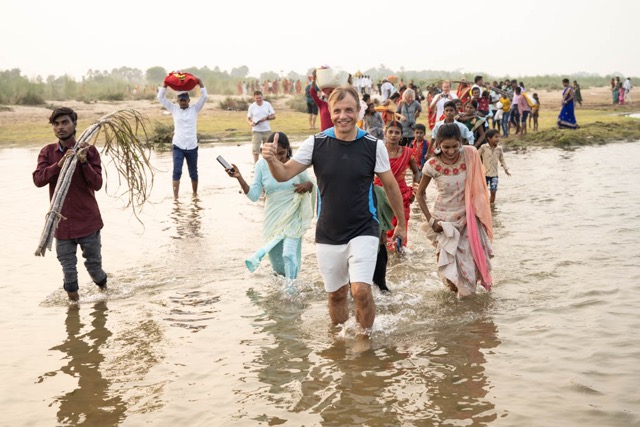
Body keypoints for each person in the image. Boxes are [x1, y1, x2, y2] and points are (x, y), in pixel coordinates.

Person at [261, 85, 407, 336]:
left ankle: (364, 343)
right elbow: (284, 174)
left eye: (349, 109)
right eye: (337, 110)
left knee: (360, 290)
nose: (343, 116)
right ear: (329, 112)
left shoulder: (373, 146)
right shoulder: (316, 143)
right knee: (337, 295)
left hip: (364, 227)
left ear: (359, 111)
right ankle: (339, 341)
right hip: (328, 231)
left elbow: (392, 186)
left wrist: (401, 224)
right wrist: (273, 161)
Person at [33, 107, 108, 302]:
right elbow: (38, 180)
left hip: (88, 222)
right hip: (61, 225)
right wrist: (58, 166)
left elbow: (97, 184)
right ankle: (73, 312)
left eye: (65, 122)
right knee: (69, 276)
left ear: (74, 124)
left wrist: (83, 162)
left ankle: (105, 294)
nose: (60, 127)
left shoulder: (88, 151)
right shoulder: (48, 152)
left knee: (95, 269)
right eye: (56, 124)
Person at [415, 123, 494, 297]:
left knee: (469, 262)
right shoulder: (432, 165)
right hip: (443, 222)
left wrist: (479, 212)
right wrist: (431, 221)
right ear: (438, 145)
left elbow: (479, 186)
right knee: (447, 265)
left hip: (468, 218)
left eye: (454, 146)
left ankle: (467, 299)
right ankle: (454, 295)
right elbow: (420, 195)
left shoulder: (469, 156)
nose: (450, 151)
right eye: (446, 147)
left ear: (461, 142)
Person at [226, 132, 315, 280]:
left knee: (288, 254)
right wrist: (239, 177)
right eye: (275, 154)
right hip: (273, 218)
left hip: (294, 217)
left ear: (288, 150)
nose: (279, 158)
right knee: (278, 265)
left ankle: (292, 290)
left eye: (282, 153)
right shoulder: (262, 165)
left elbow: (312, 183)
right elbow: (254, 195)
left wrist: (308, 184)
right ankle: (282, 290)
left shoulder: (294, 164)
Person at [157, 76, 207, 198]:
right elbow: (160, 97)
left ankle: (195, 195)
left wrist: (200, 83)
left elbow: (204, 97)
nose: (183, 102)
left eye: (185, 100)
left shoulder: (195, 109)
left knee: (193, 173)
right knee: (177, 172)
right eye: (181, 100)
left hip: (192, 146)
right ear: (178, 101)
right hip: (178, 145)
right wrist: (165, 85)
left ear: (189, 100)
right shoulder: (174, 109)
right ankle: (175, 198)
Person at [374, 120, 420, 249]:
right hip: (381, 196)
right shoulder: (377, 151)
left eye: (397, 133)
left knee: (401, 230)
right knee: (381, 231)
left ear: (401, 135)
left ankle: (400, 257)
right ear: (385, 133)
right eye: (390, 132)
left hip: (402, 196)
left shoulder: (407, 152)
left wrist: (414, 192)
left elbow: (417, 173)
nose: (393, 135)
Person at [478, 129, 511, 205]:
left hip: (494, 174)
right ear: (489, 139)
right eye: (496, 137)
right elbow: (476, 155)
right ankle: (484, 205)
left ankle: (491, 206)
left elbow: (502, 160)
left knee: (493, 191)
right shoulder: (484, 147)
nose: (498, 139)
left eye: (498, 137)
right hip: (484, 174)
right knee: (483, 191)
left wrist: (506, 169)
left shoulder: (499, 149)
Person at [247, 90, 276, 163]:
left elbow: (273, 116)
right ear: (254, 98)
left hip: (267, 130)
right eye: (257, 98)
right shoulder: (252, 106)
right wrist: (250, 123)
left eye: (260, 98)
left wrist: (266, 118)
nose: (259, 100)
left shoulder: (267, 104)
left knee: (268, 149)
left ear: (262, 97)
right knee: (255, 149)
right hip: (256, 131)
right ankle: (256, 165)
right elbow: (248, 118)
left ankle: (268, 164)